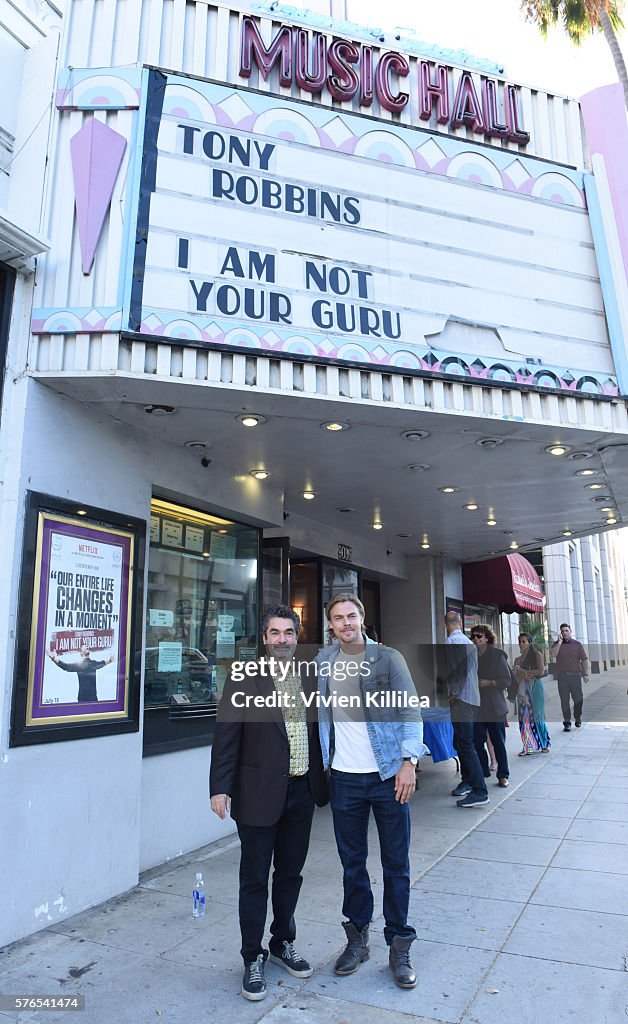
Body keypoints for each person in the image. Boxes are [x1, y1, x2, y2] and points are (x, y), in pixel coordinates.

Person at [209, 605, 328, 1002]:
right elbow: (227, 736)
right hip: (257, 793)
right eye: (274, 633)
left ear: (297, 636)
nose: (282, 639)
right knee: (255, 879)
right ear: (264, 638)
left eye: (288, 632)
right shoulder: (244, 678)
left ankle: (281, 943)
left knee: (291, 874)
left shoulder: (309, 676)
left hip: (301, 792)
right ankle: (251, 957)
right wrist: (219, 787)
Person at [314, 594, 427, 990]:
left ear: (362, 618)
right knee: (352, 864)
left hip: (387, 776)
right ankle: (357, 939)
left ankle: (399, 946)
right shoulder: (322, 663)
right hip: (344, 777)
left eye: (351, 616)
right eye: (337, 618)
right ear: (330, 625)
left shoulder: (388, 659)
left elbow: (410, 711)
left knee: (396, 864)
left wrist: (409, 763)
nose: (345, 623)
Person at [444, 612, 489, 807]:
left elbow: (458, 671)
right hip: (471, 698)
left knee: (466, 744)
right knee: (462, 742)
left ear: (445, 624)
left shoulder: (452, 642)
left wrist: (452, 694)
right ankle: (469, 781)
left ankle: (479, 791)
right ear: (460, 623)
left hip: (462, 699)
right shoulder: (467, 642)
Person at [470, 624, 511, 788]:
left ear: (487, 638)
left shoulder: (497, 655)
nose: (475, 639)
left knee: (498, 742)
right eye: (472, 636)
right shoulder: (471, 656)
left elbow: (506, 680)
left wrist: (490, 683)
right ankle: (483, 770)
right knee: (476, 742)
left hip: (495, 707)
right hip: (477, 706)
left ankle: (503, 775)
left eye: (478, 636)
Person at [514, 632, 550, 754]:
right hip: (522, 690)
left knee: (538, 715)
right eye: (520, 641)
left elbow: (541, 672)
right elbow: (516, 675)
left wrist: (525, 672)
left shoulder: (537, 655)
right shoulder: (517, 659)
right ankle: (527, 745)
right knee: (523, 717)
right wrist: (520, 673)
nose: (521, 644)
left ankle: (543, 743)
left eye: (524, 641)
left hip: (535, 688)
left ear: (529, 643)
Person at [550, 623, 589, 731]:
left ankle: (577, 717)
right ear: (560, 633)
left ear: (570, 631)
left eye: (566, 630)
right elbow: (553, 654)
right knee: (564, 700)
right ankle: (567, 722)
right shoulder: (556, 644)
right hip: (562, 677)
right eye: (562, 631)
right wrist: (560, 642)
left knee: (578, 699)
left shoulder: (577, 644)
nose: (564, 633)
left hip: (575, 676)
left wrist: (585, 674)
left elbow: (584, 659)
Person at [46, 644, 114, 702]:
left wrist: (110, 660)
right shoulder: (78, 665)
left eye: (87, 647)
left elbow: (102, 663)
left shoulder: (93, 663)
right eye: (85, 646)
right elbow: (65, 666)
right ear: (81, 653)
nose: (87, 646)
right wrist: (53, 658)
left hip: (93, 698)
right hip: (82, 698)